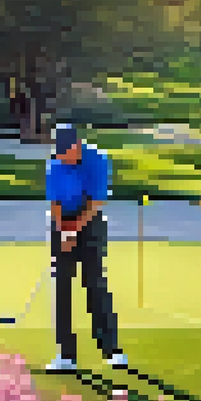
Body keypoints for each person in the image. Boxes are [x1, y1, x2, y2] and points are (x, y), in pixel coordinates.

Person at [44, 123, 126, 372]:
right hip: (62, 219)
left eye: (65, 153)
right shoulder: (55, 164)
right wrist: (63, 230)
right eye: (58, 153)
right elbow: (55, 203)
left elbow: (95, 202)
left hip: (90, 221)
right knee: (61, 286)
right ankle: (66, 355)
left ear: (76, 145)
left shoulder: (98, 160)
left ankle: (111, 350)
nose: (61, 157)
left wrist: (75, 229)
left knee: (94, 282)